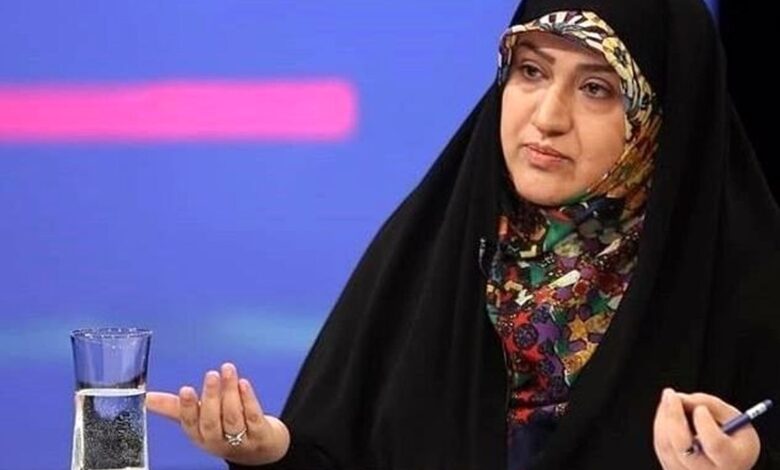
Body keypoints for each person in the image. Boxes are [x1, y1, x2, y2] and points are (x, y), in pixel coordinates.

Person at [147, 0, 780, 468]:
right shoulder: (430, 253)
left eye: (596, 88)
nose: (547, 117)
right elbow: (338, 454)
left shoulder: (747, 291)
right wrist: (269, 452)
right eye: (530, 72)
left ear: (658, 117)